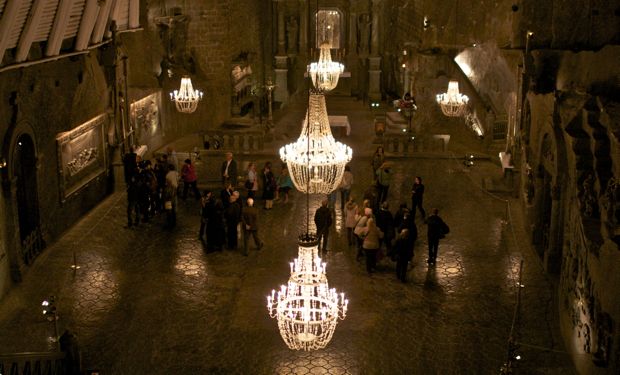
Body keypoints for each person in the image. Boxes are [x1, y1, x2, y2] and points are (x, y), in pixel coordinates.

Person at [164, 164, 179, 229]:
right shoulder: (176, 173)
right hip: (174, 196)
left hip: (169, 200)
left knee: (169, 212)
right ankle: (174, 222)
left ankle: (170, 224)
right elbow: (178, 180)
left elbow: (166, 196)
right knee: (174, 210)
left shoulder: (167, 175)